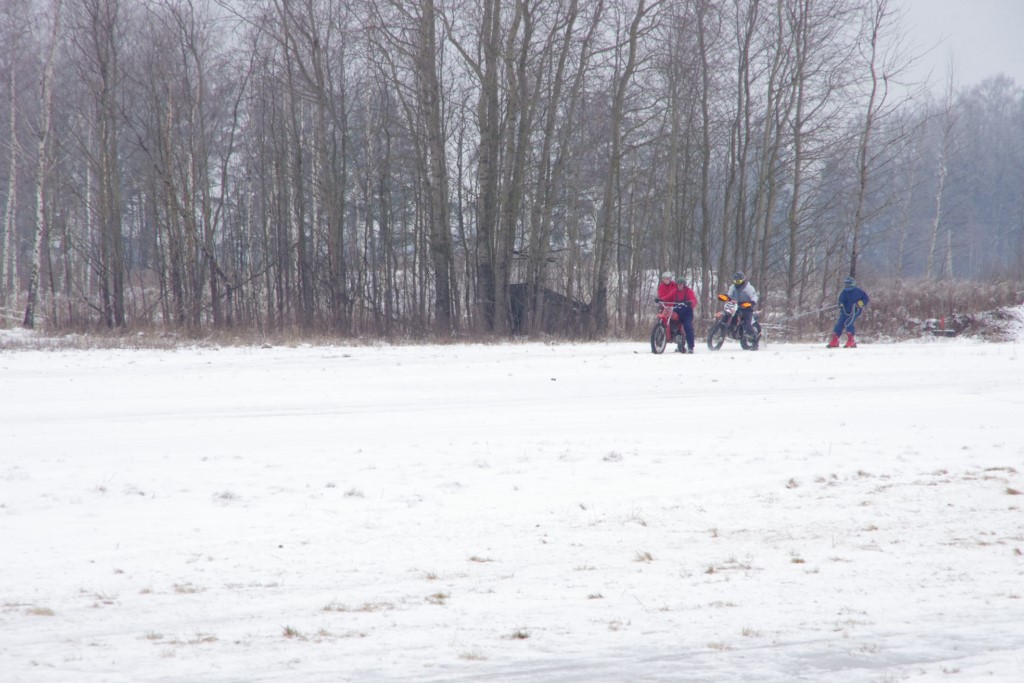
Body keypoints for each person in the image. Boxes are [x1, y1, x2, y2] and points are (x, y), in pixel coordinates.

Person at [828, 276, 869, 348]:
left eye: (848, 284)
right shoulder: (844, 292)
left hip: (855, 310)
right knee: (839, 323)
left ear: (852, 284)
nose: (847, 286)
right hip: (845, 311)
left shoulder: (859, 291)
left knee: (848, 323)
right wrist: (841, 304)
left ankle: (851, 340)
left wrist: (861, 303)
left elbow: (866, 299)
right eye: (846, 284)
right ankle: (835, 340)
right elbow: (841, 300)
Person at [726, 271, 759, 350]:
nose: (737, 283)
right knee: (727, 315)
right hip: (736, 306)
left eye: (738, 281)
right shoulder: (732, 287)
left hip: (747, 308)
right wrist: (727, 299)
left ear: (742, 280)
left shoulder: (748, 288)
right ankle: (728, 328)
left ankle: (755, 343)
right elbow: (729, 295)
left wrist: (752, 302)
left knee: (747, 325)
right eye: (735, 281)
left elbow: (754, 297)